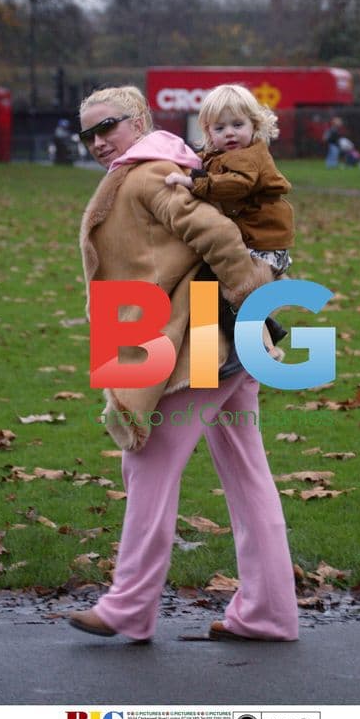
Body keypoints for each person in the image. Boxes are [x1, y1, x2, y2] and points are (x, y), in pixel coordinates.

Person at [68, 85, 299, 643]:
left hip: (196, 338)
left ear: (140, 119)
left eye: (109, 127)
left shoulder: (148, 172)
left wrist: (252, 305)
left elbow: (217, 233)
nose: (100, 141)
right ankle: (268, 612)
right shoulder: (154, 166)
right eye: (89, 133)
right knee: (247, 475)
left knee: (146, 464)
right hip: (205, 335)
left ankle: (128, 606)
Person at [165, 83, 294, 355]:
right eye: (220, 128)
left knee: (222, 289)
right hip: (249, 242)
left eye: (237, 124)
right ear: (208, 131)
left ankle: (259, 346)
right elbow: (202, 164)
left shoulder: (249, 157)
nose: (230, 133)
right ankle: (222, 349)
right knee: (209, 287)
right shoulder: (219, 157)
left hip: (261, 247)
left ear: (254, 124)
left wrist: (193, 183)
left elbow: (237, 184)